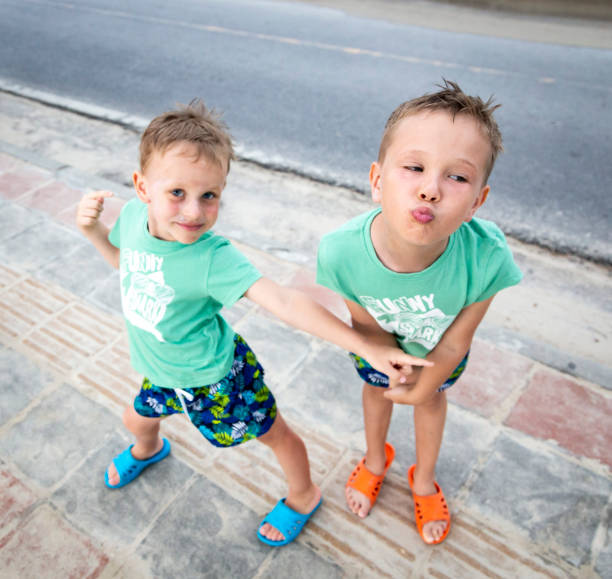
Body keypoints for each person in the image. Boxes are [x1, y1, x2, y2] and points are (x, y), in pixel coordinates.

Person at [75, 100, 429, 548]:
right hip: (161, 373)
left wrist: (365, 345)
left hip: (217, 380)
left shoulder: (212, 257)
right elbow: (127, 267)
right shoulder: (130, 217)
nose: (194, 211)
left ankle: (304, 495)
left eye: (210, 195)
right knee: (136, 418)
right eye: (177, 193)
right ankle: (149, 448)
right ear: (142, 187)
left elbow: (282, 299)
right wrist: (92, 232)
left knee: (275, 435)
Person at [316, 80, 522, 545]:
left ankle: (424, 479)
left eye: (457, 177)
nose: (430, 189)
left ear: (477, 202)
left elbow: (455, 340)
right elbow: (364, 325)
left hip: (439, 355)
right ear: (376, 180)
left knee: (429, 402)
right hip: (378, 350)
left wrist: (423, 384)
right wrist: (388, 369)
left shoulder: (487, 258)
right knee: (376, 393)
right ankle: (374, 459)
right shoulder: (340, 252)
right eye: (414, 167)